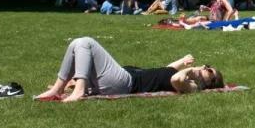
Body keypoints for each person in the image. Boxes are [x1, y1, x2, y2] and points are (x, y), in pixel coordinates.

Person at [34, 37, 224, 102]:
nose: (205, 67)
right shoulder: (178, 73)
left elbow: (176, 81)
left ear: (210, 82)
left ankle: (79, 90)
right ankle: (58, 88)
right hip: (119, 81)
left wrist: (190, 71)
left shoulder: (193, 86)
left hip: (125, 83)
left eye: (209, 70)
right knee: (76, 43)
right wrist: (183, 61)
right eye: (207, 65)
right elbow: (166, 71)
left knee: (86, 43)